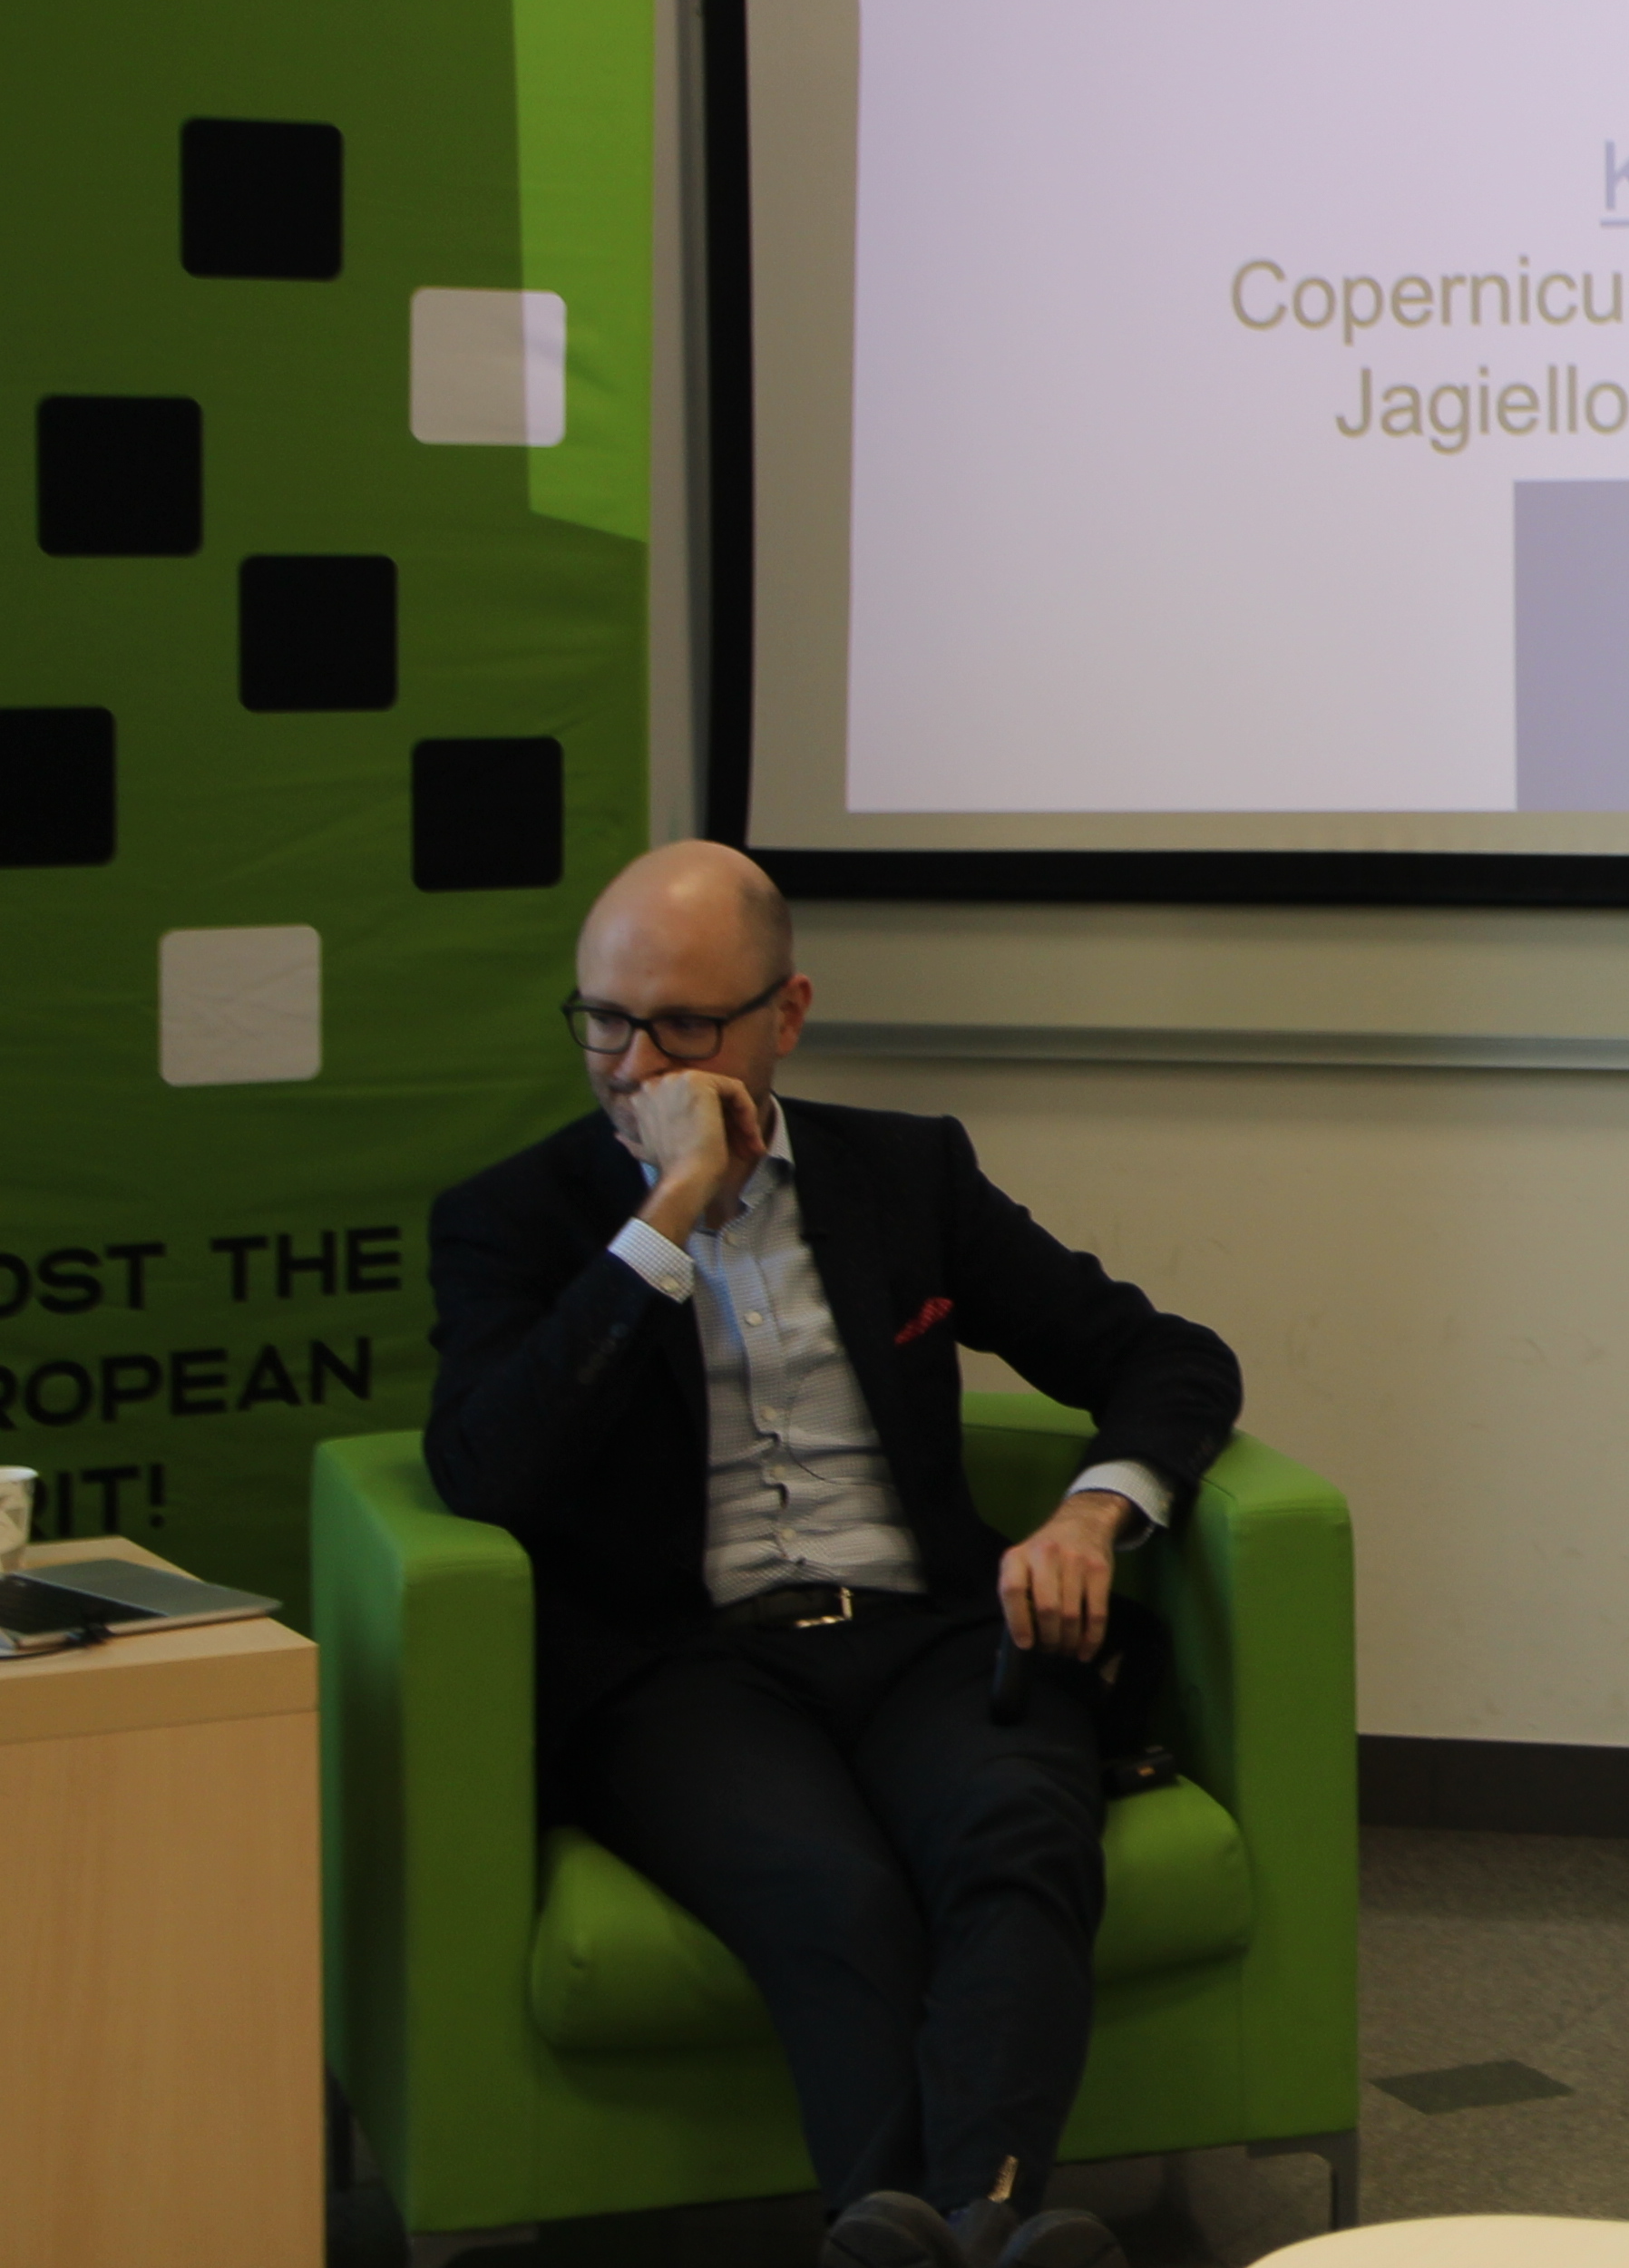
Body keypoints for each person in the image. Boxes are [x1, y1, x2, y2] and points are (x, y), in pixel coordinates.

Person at [426, 842, 1243, 2268]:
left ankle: (957, 2225)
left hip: (926, 1631)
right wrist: (665, 1212)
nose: (634, 1066)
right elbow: (487, 1466)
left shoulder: (904, 1175)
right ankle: (976, 2233)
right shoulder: (515, 1216)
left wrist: (1090, 1513)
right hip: (684, 1667)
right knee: (831, 1891)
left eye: (684, 1026)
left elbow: (1165, 1357)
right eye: (604, 1021)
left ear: (786, 1015)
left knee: (1018, 1834)